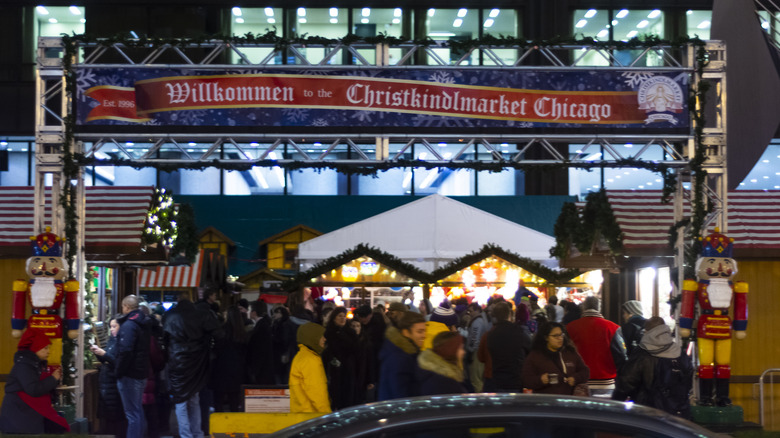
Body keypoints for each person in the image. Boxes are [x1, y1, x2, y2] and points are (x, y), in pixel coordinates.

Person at [163, 292, 222, 438]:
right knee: (194, 399)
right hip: (197, 362)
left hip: (177, 360)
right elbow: (219, 334)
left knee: (180, 401)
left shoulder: (170, 316)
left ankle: (186, 434)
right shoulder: (201, 314)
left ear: (177, 301)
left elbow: (164, 340)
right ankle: (198, 432)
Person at [613, 317, 693, 419]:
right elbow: (688, 382)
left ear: (647, 331)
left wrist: (616, 403)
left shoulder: (642, 353)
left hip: (649, 415)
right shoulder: (679, 352)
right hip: (679, 414)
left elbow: (626, 382)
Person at [0, 328, 69, 434]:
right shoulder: (25, 365)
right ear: (35, 348)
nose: (48, 351)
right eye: (45, 348)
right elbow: (33, 389)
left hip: (24, 414)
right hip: (19, 417)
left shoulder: (34, 364)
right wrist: (53, 379)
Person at [566, 296, 627, 398]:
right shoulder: (613, 328)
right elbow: (621, 356)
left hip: (578, 382)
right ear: (599, 308)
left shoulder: (570, 327)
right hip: (606, 383)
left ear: (583, 308)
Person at [115, 294, 152, 438]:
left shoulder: (129, 325)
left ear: (126, 307)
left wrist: (119, 371)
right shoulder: (143, 322)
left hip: (130, 374)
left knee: (132, 414)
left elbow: (125, 351)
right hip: (141, 372)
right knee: (137, 411)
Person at [521, 322, 589, 395]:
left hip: (568, 400)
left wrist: (575, 378)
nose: (560, 338)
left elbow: (585, 371)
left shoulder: (570, 353)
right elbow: (526, 380)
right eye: (555, 336)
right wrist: (540, 380)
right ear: (546, 338)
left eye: (561, 335)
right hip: (546, 401)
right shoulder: (535, 356)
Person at [378, 311, 427, 401]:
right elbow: (401, 396)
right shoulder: (399, 358)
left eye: (425, 331)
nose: (424, 335)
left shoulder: (405, 352)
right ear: (406, 332)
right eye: (419, 332)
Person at [91, 317, 127, 437]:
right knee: (107, 413)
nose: (111, 329)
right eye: (110, 327)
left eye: (114, 326)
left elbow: (118, 362)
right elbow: (106, 359)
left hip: (114, 383)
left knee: (116, 416)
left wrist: (104, 354)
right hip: (106, 383)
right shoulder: (112, 340)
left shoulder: (122, 342)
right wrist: (98, 354)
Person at [211, 305, 249, 412]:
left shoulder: (221, 330)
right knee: (234, 401)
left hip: (221, 369)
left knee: (219, 400)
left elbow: (216, 350)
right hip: (237, 371)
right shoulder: (242, 332)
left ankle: (219, 426)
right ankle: (234, 426)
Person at [487, 301, 531, 392]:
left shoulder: (491, 334)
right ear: (509, 314)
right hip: (515, 379)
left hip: (497, 380)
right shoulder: (518, 331)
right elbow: (530, 349)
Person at [289, 322, 331, 413]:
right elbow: (316, 392)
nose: (324, 339)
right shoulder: (310, 360)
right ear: (313, 338)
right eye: (321, 336)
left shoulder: (301, 356)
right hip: (311, 416)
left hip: (301, 413)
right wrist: (327, 415)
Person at [323, 307, 359, 410]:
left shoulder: (350, 332)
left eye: (344, 316)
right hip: (334, 369)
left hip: (348, 368)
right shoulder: (329, 332)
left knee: (347, 395)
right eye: (340, 316)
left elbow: (355, 349)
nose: (342, 319)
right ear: (334, 318)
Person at [417, 331, 468, 396]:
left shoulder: (438, 374)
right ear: (451, 351)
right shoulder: (444, 383)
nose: (464, 352)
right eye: (460, 348)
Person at [247, 300, 275, 385]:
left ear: (254, 312)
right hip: (264, 367)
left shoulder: (261, 327)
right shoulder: (263, 324)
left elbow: (260, 350)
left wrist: (255, 369)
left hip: (262, 369)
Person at [466, 303, 490, 392]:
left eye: (471, 311)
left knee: (475, 379)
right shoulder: (482, 319)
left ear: (477, 310)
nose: (470, 313)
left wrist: (470, 351)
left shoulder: (477, 322)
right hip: (480, 351)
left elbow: (474, 338)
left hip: (476, 352)